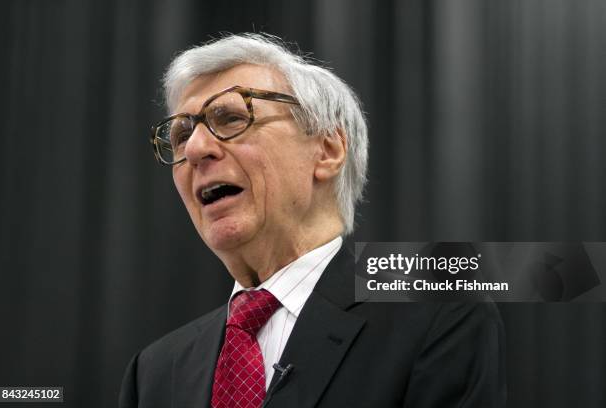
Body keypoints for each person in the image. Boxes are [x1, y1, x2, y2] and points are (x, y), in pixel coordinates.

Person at [119, 33, 506, 408]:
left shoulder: (437, 314)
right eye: (182, 134)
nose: (197, 148)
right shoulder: (154, 371)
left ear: (327, 150)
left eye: (232, 117)